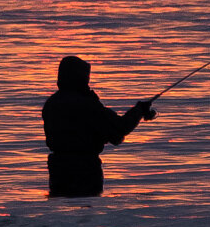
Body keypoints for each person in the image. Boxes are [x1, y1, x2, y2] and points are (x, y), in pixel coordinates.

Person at [42, 54, 157, 197]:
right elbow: (119, 129)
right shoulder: (87, 104)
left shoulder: (51, 103)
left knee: (62, 212)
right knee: (86, 215)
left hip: (58, 171)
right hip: (85, 171)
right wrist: (139, 111)